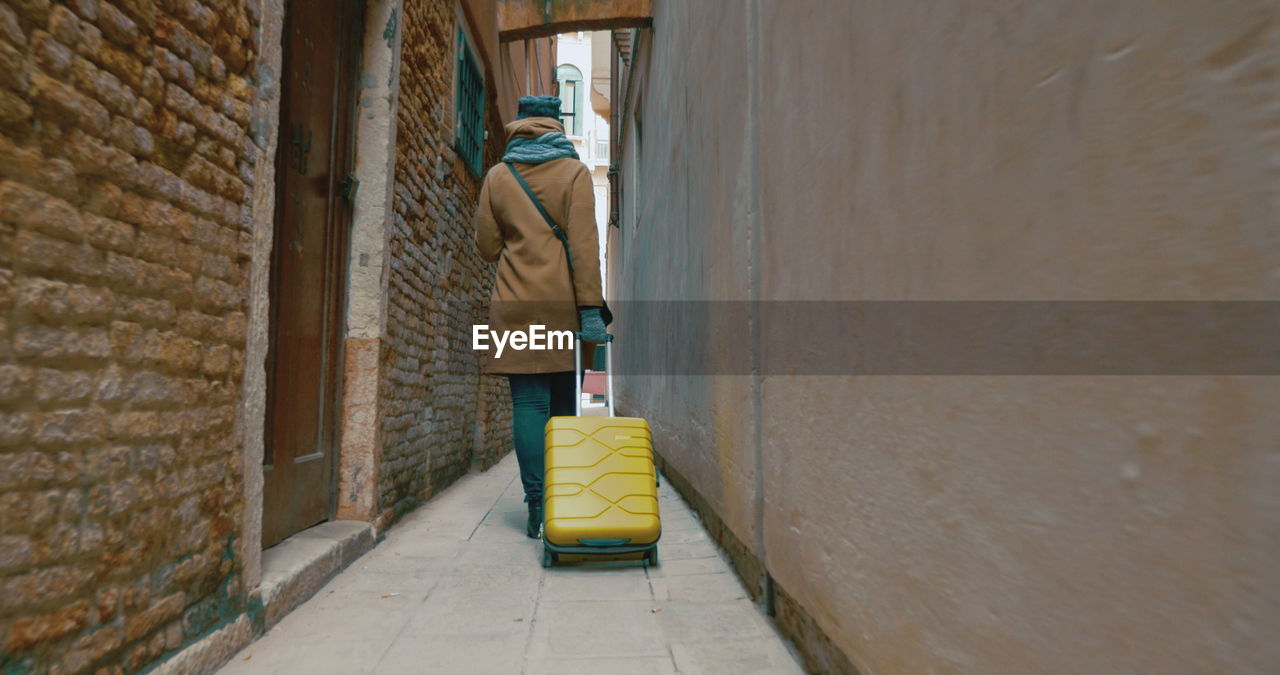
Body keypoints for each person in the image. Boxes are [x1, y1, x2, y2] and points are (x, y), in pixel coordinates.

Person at [473, 95, 609, 538]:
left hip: (513, 305)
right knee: (564, 404)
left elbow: (487, 248)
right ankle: (565, 498)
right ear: (555, 124)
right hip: (562, 307)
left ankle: (537, 507)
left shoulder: (497, 176)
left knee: (528, 404)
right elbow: (586, 250)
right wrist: (591, 309)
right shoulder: (574, 173)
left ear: (518, 124)